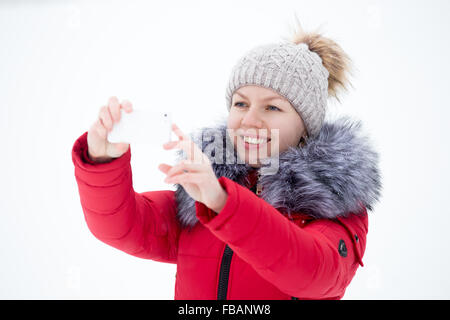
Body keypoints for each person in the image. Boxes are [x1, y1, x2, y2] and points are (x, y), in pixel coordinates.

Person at [71, 21, 382, 300]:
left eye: (272, 108)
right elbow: (120, 226)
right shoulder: (201, 195)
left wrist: (223, 203)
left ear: (306, 126)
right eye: (240, 103)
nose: (249, 119)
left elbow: (314, 274)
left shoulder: (336, 201)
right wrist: (103, 157)